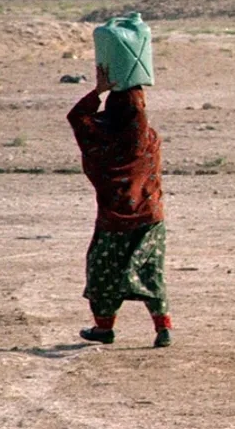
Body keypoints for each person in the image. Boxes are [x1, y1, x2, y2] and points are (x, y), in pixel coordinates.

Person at [67, 65, 172, 348]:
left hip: (112, 220)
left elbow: (77, 118)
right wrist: (134, 88)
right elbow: (135, 118)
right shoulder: (149, 142)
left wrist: (100, 90)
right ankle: (163, 329)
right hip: (149, 218)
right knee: (151, 272)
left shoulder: (98, 140)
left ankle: (104, 328)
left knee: (102, 272)